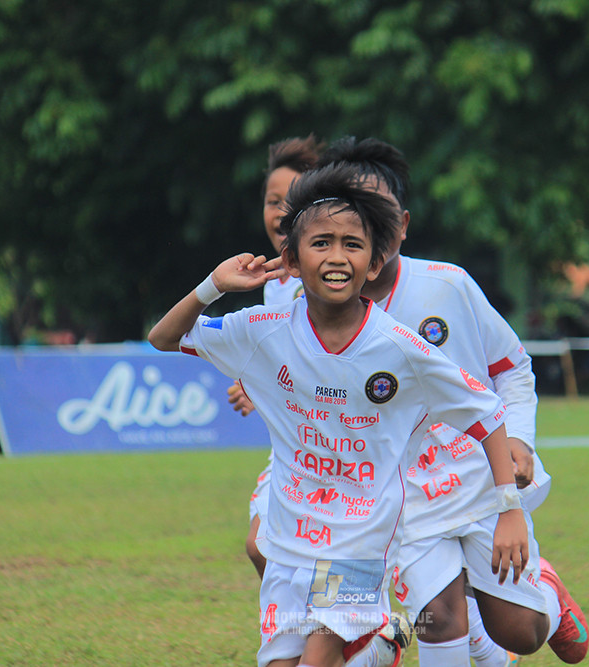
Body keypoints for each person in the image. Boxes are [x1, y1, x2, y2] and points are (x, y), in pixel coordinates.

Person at [148, 163, 528, 667]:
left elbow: (485, 412)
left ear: (373, 263)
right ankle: (382, 642)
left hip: (359, 547)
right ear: (291, 259)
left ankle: (376, 637)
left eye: (353, 244)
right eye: (321, 242)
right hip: (287, 543)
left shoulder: (401, 348)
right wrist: (213, 285)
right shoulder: (263, 327)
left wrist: (510, 507)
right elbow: (164, 338)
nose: (336, 256)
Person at [314, 137, 586, 666]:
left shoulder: (449, 286)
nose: (372, 231)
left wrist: (522, 444)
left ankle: (546, 593)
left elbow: (512, 368)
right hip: (403, 500)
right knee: (437, 616)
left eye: (383, 215)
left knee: (522, 633)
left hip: (481, 480)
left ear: (404, 223)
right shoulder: (318, 306)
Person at [235, 135, 324, 580]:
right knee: (260, 546)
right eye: (272, 200)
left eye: (292, 200)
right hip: (295, 448)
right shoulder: (271, 285)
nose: (279, 211)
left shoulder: (337, 279)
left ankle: (357, 633)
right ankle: (343, 636)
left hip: (348, 446)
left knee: (428, 578)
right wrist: (254, 386)